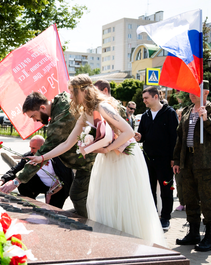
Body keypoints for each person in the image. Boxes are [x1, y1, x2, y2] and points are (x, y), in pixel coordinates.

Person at [27, 74, 166, 246]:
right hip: (107, 158)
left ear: (82, 91)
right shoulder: (85, 114)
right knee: (106, 204)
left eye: (72, 92)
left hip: (124, 157)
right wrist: (41, 157)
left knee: (123, 203)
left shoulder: (102, 107)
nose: (69, 96)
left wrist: (107, 148)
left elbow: (128, 132)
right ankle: (113, 246)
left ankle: (131, 245)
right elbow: (67, 143)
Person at [0, 90, 95, 218]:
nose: (35, 120)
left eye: (33, 116)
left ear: (42, 107)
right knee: (79, 194)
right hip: (85, 161)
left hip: (89, 161)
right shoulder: (61, 100)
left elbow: (43, 152)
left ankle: (89, 228)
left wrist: (16, 181)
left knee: (78, 195)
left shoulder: (61, 120)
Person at [173, 83, 211, 252]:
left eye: (195, 91)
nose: (191, 94)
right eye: (189, 91)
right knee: (190, 199)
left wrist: (207, 119)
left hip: (207, 163)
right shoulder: (188, 111)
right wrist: (176, 160)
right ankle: (193, 233)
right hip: (187, 161)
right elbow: (180, 138)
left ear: (206, 92)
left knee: (208, 200)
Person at [135, 86, 178, 231]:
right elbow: (142, 135)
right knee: (149, 188)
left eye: (146, 98)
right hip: (148, 159)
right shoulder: (146, 115)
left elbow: (174, 137)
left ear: (155, 97)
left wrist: (174, 158)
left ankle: (165, 218)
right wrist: (138, 137)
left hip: (165, 160)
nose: (144, 101)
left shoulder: (169, 113)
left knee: (167, 189)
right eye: (143, 99)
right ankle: (153, 215)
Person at [0, 135, 73, 209]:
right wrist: (2, 181)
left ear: (43, 147)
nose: (31, 151)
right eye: (30, 147)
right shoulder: (29, 156)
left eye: (34, 148)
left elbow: (66, 178)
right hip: (40, 184)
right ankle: (30, 205)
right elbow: (15, 170)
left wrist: (51, 192)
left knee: (53, 211)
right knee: (22, 181)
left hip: (58, 188)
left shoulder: (57, 157)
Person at [174, 108, 185, 212]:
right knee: (179, 182)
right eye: (179, 116)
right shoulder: (176, 128)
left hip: (187, 160)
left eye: (181, 115)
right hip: (178, 160)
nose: (180, 118)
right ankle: (182, 203)